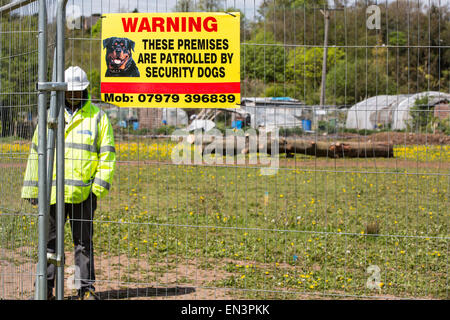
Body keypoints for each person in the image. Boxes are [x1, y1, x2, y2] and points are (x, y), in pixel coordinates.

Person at [22, 66, 116, 300]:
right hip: (52, 193)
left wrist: (96, 189)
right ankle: (46, 290)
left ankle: (85, 289)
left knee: (83, 243)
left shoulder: (98, 117)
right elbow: (37, 153)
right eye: (69, 91)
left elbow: (107, 154)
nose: (73, 95)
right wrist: (34, 189)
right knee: (49, 243)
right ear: (62, 91)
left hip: (83, 194)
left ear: (85, 90)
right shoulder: (49, 117)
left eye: (78, 91)